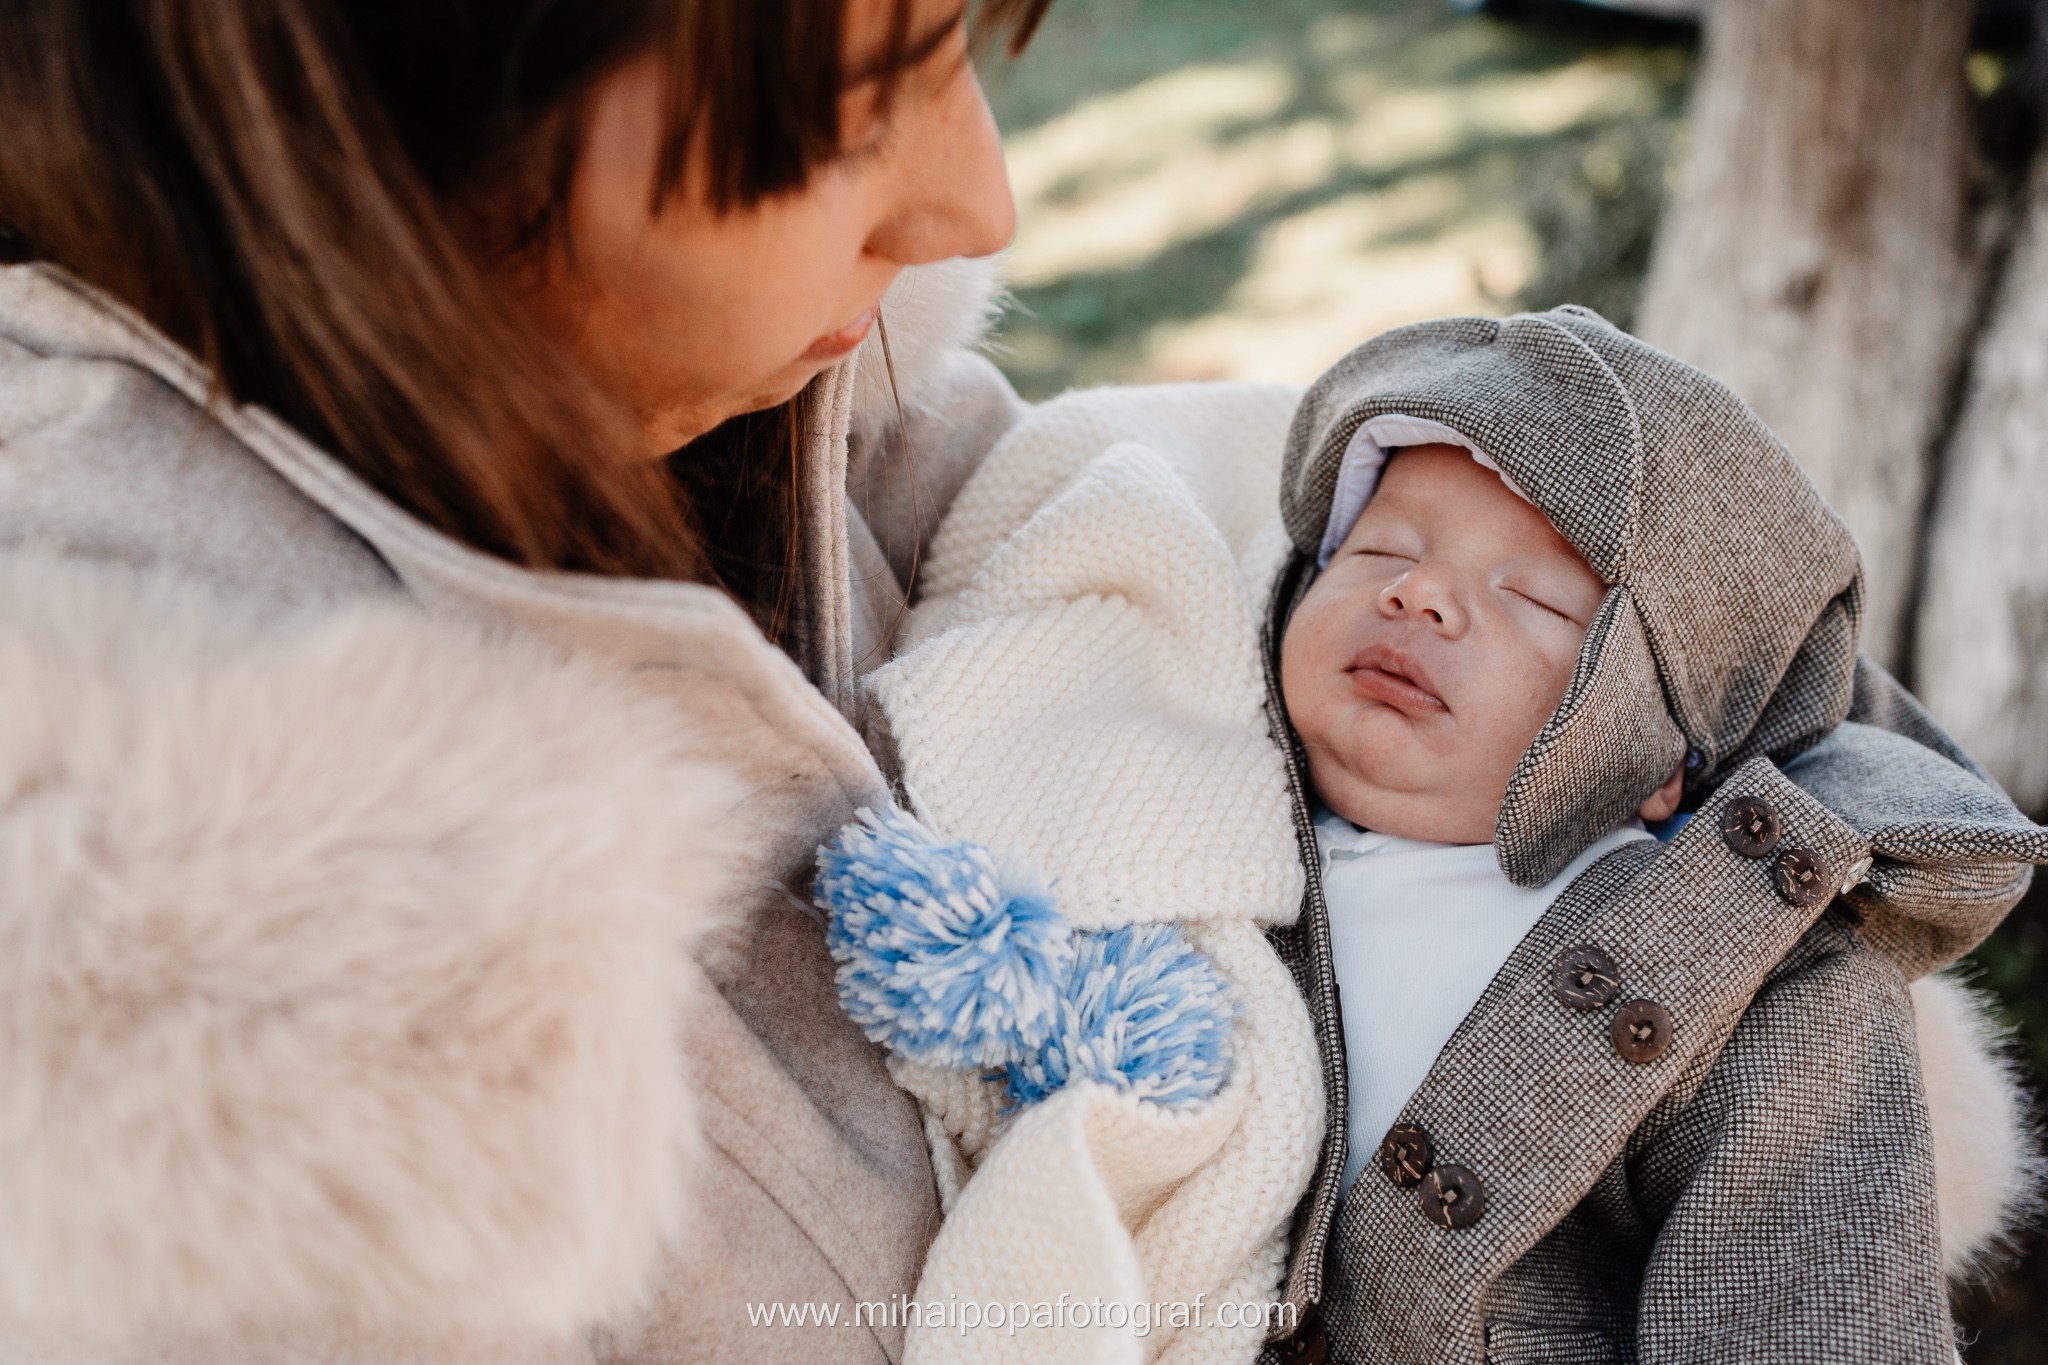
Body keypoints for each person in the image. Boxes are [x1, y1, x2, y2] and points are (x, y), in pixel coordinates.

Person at [0, 1, 1045, 1361]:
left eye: (953, 42)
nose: (979, 205)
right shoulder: (194, 996)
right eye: (842, 116)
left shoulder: (809, 409)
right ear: (366, 128)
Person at [836, 307, 2044, 1364]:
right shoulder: (1207, 830)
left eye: (1528, 596)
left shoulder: (1746, 976)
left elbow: (1801, 1309)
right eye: (1378, 551)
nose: (1417, 594)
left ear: (1662, 766)